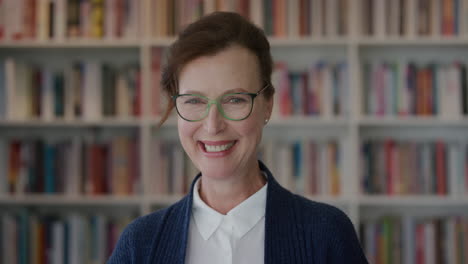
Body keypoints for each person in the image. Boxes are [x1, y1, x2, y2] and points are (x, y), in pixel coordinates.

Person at [108, 12, 368, 264]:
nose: (212, 125)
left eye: (234, 100)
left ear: (268, 105)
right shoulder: (139, 244)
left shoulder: (327, 235)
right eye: (194, 101)